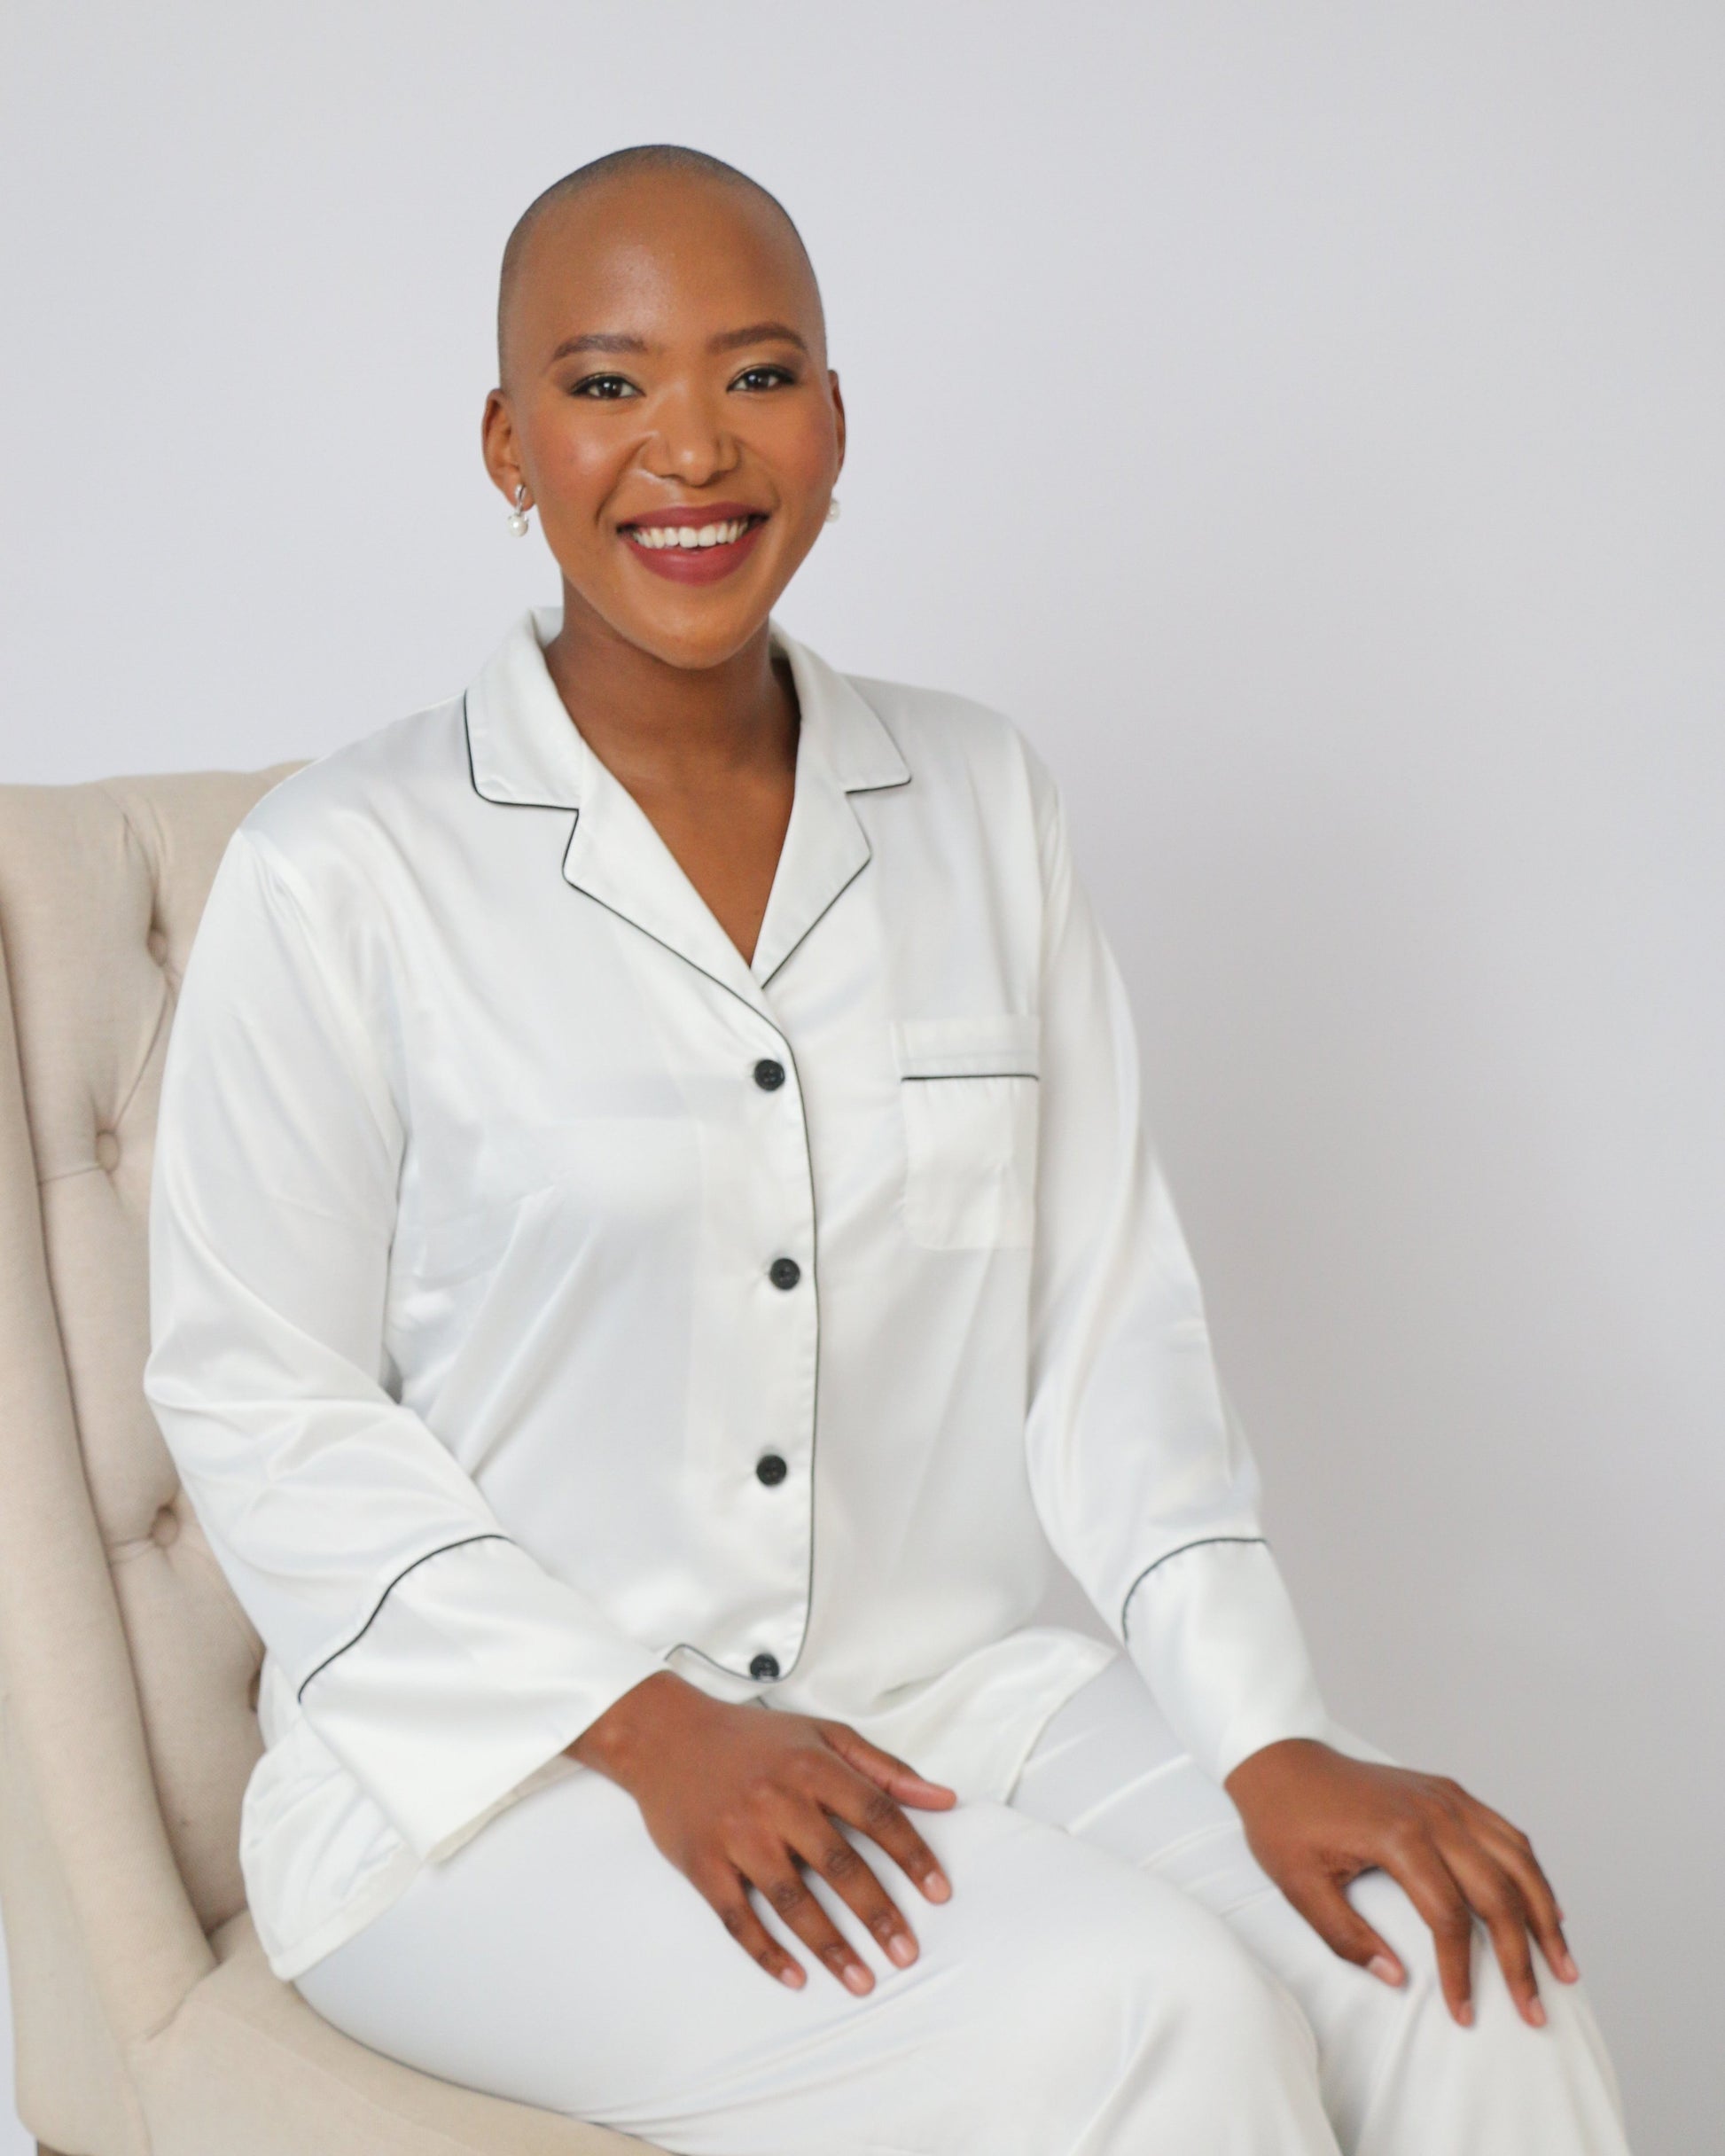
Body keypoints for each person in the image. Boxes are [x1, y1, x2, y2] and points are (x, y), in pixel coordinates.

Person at [143, 145, 1632, 2155]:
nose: (690, 447)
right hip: (489, 1785)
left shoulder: (980, 800)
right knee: (1148, 2020)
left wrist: (1268, 1732)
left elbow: (1107, 1334)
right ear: (506, 442)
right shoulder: (342, 869)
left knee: (1461, 1976)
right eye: (605, 384)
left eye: (755, 375)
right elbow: (261, 1401)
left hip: (954, 1696)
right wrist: (652, 1731)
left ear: (834, 421)